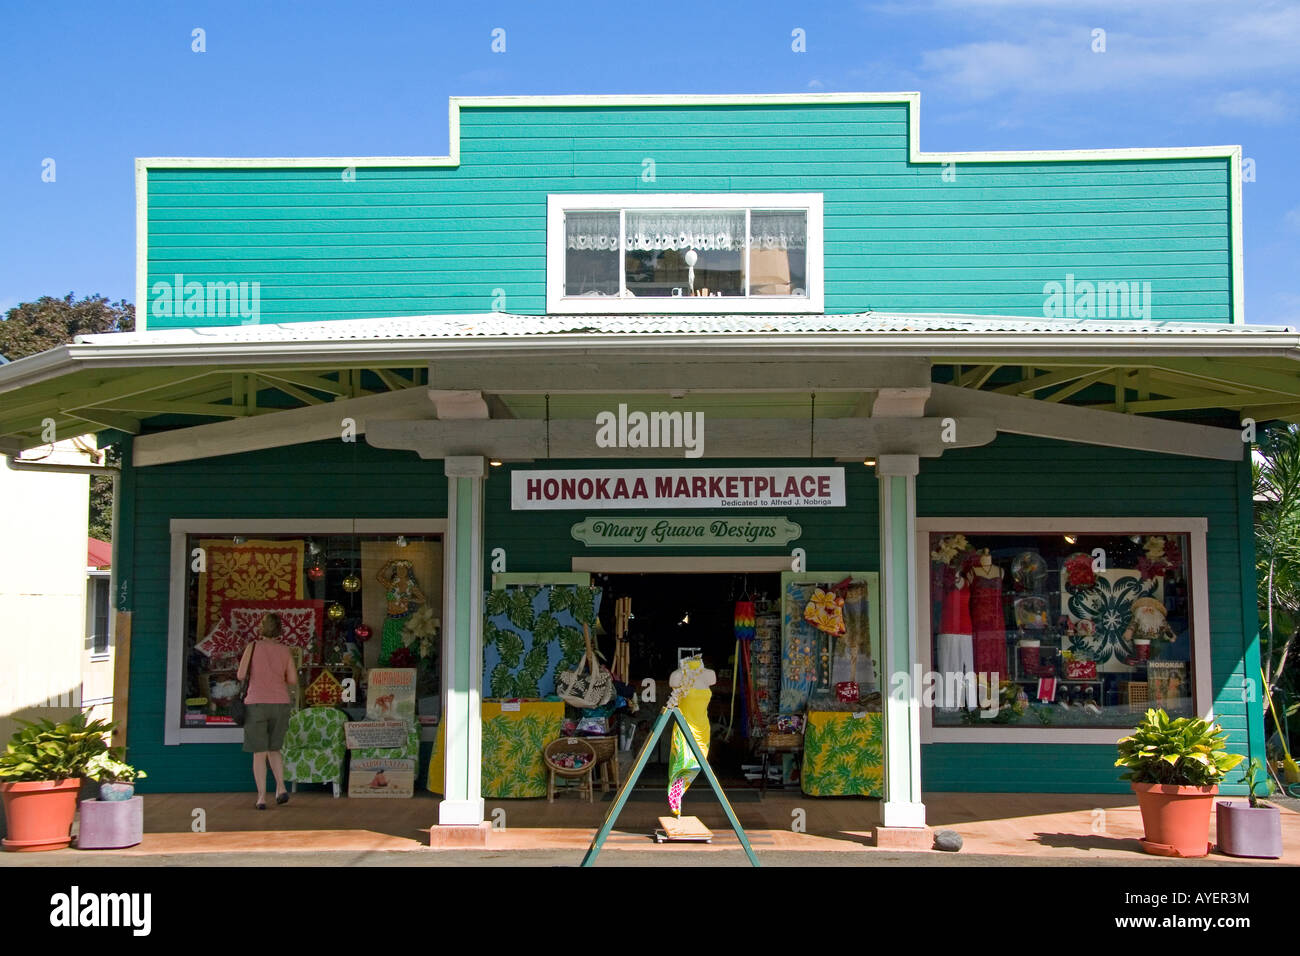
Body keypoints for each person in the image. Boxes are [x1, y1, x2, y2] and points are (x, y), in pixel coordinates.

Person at [236, 613, 298, 809]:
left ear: (262, 628)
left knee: (259, 753)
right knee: (275, 749)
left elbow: (240, 674)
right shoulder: (285, 651)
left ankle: (261, 797)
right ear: (280, 630)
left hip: (256, 704)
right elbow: (293, 680)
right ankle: (281, 788)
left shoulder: (252, 647)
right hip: (280, 703)